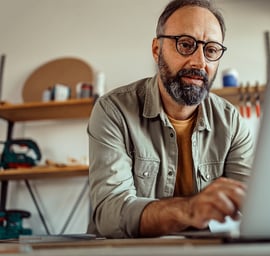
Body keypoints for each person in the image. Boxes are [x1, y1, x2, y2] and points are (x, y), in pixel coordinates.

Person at [87, 0, 255, 238]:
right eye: (185, 44)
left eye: (211, 50)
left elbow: (250, 208)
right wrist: (187, 210)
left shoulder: (232, 122)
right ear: (157, 50)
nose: (200, 62)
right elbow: (110, 214)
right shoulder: (113, 111)